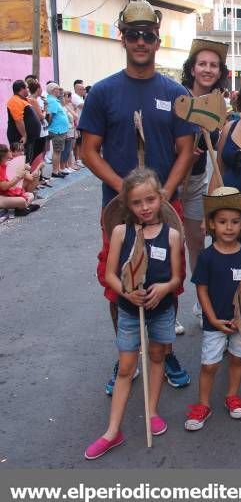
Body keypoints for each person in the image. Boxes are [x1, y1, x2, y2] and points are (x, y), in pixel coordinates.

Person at [78, 0, 195, 394]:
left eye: (148, 35)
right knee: (119, 285)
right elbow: (88, 150)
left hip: (165, 206)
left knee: (168, 282)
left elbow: (184, 149)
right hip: (119, 210)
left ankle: (163, 349)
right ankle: (127, 354)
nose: (141, 41)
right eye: (134, 35)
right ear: (123, 39)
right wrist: (123, 190)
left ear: (158, 42)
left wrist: (162, 192)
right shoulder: (104, 92)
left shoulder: (175, 92)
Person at [84, 168, 182, 460]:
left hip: (161, 310)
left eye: (150, 200)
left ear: (159, 200)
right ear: (128, 205)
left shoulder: (172, 235)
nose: (145, 207)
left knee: (157, 356)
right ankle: (112, 431)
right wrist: (125, 292)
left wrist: (163, 289)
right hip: (129, 311)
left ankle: (151, 411)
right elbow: (111, 274)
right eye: (137, 202)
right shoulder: (120, 232)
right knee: (126, 366)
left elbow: (177, 278)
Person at [185, 187, 241, 431]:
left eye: (235, 222)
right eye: (222, 221)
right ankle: (203, 404)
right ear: (211, 225)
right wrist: (212, 319)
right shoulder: (207, 257)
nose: (229, 227)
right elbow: (202, 289)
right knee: (210, 365)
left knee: (238, 360)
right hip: (214, 324)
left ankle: (232, 395)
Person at [179, 38, 229, 329]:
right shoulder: (178, 95)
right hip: (172, 179)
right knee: (170, 242)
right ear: (193, 68)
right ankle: (166, 308)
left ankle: (201, 298)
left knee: (197, 240)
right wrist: (182, 149)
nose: (208, 70)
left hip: (198, 179)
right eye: (202, 64)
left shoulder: (218, 105)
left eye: (213, 65)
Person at [5, 80, 41, 163]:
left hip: (29, 137)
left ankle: (27, 175)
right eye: (27, 87)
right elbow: (18, 120)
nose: (28, 89)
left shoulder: (22, 99)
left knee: (27, 159)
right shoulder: (15, 101)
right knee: (21, 160)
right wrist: (24, 135)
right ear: (22, 89)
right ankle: (22, 175)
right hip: (19, 137)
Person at [0, 144, 40, 215]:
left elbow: (30, 177)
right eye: (9, 151)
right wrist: (18, 176)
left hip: (7, 194)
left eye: (22, 150)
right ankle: (24, 208)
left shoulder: (7, 163)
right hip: (2, 196)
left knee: (30, 195)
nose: (22, 153)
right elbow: (4, 187)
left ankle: (23, 208)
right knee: (22, 200)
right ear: (4, 155)